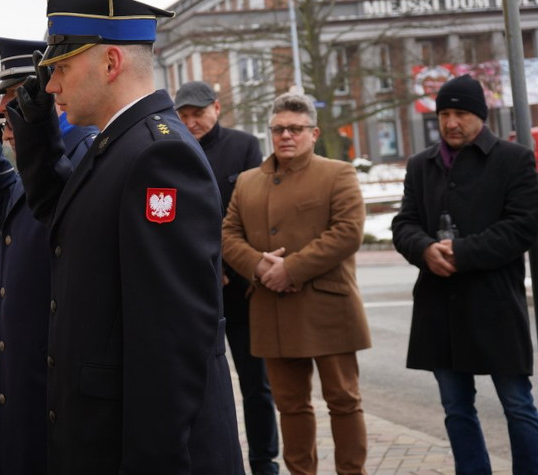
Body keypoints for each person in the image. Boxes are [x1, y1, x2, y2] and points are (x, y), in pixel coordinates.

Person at [7, 0, 243, 473]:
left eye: (61, 68)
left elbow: (172, 338)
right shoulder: (119, 143)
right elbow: (65, 216)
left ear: (111, 62)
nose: (52, 85)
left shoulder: (158, 155)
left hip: (143, 450)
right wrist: (34, 130)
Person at [0, 37, 96, 475]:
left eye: (14, 107)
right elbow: (6, 206)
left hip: (50, 367)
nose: (5, 123)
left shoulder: (84, 152)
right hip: (17, 366)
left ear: (47, 97)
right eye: (2, 111)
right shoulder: (38, 160)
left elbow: (57, 212)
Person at [391, 74, 538, 473]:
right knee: (456, 408)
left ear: (480, 116)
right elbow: (403, 224)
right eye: (444, 114)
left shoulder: (514, 159)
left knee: (518, 405)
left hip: (496, 303)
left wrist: (461, 253)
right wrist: (424, 249)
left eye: (461, 114)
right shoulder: (421, 165)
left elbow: (522, 227)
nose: (451, 123)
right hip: (440, 307)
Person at [222, 92, 370, 475]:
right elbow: (228, 235)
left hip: (328, 308)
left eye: (295, 129)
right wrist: (258, 265)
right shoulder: (248, 182)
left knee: (344, 400)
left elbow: (348, 233)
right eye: (278, 129)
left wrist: (291, 269)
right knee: (290, 405)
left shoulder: (337, 174)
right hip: (273, 309)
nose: (286, 135)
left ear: (313, 133)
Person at [175, 81, 279, 475]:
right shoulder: (172, 148)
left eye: (198, 113)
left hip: (241, 288)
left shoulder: (244, 146)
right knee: (200, 386)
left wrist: (228, 262)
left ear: (216, 108)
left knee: (256, 385)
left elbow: (252, 213)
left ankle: (264, 462)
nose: (191, 122)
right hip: (195, 289)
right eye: (184, 115)